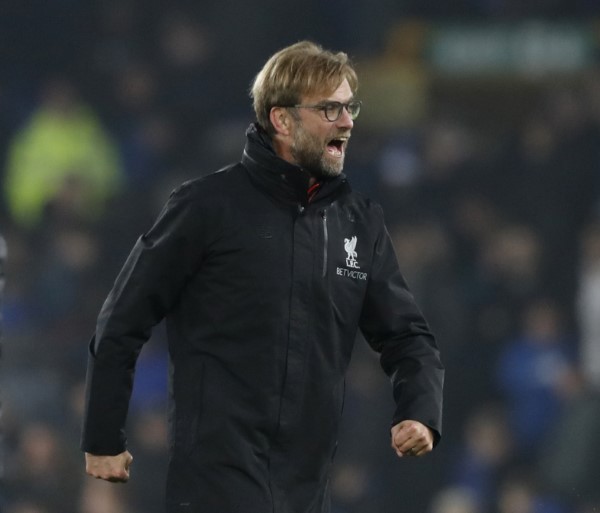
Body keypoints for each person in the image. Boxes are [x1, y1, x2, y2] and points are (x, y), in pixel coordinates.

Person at [81, 41, 445, 513]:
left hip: (308, 490)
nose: (348, 121)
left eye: (349, 107)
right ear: (282, 120)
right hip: (215, 488)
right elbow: (122, 321)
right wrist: (103, 438)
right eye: (330, 108)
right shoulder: (205, 207)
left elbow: (408, 336)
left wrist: (419, 411)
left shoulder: (359, 222)